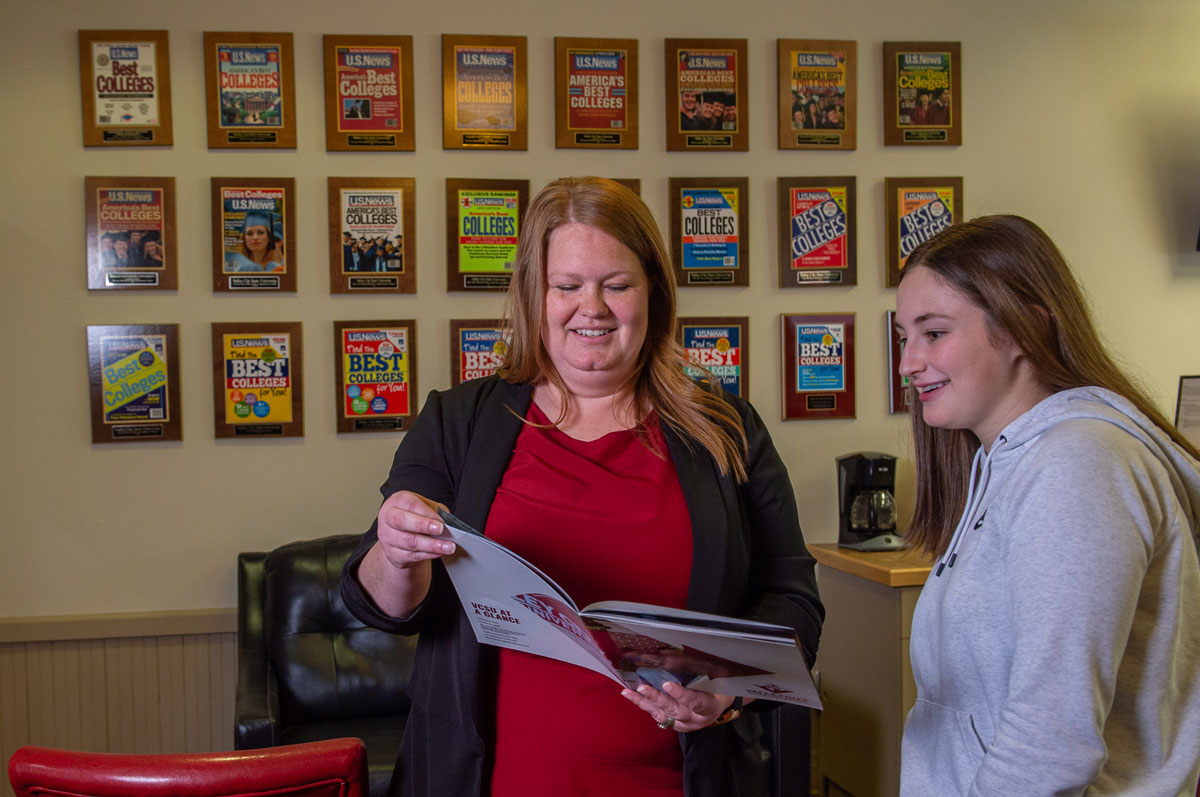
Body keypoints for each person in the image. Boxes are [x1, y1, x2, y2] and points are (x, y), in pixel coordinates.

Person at [340, 176, 823, 797]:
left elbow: (793, 601)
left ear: (652, 291)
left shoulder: (727, 429)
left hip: (680, 781)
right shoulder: (459, 421)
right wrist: (397, 548)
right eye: (566, 286)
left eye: (616, 285)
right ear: (533, 296)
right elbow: (385, 606)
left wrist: (723, 690)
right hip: (489, 781)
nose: (590, 308)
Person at [893, 215, 1200, 795]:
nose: (909, 362)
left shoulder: (1078, 465)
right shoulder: (1007, 463)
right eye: (904, 336)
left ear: (1019, 329)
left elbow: (1053, 739)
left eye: (933, 333)